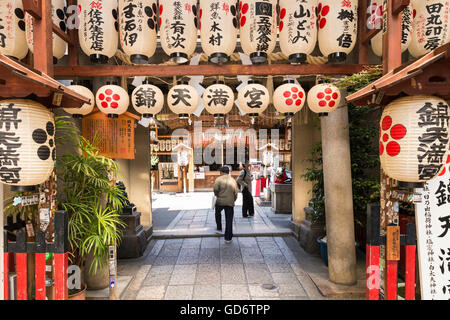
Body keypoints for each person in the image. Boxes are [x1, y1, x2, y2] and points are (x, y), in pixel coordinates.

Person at [213, 166, 238, 244]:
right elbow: (236, 193)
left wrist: (217, 195)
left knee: (217, 213)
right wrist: (233, 199)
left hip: (220, 201)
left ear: (222, 172)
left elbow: (215, 190)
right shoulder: (233, 180)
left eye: (220, 171)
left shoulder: (218, 179)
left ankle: (219, 227)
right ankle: (228, 238)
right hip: (230, 202)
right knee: (229, 219)